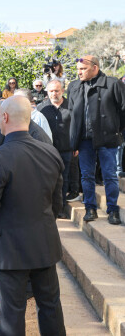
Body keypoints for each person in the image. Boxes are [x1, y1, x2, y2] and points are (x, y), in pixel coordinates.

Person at [0, 96, 66, 336]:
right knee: (50, 306)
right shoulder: (51, 152)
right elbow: (57, 204)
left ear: (4, 117)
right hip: (44, 242)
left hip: (8, 248)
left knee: (12, 313)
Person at [68, 55, 125, 225]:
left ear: (95, 67)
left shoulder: (113, 84)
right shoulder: (74, 86)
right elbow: (72, 114)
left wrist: (114, 129)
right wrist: (74, 142)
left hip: (107, 139)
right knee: (86, 176)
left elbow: (123, 111)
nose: (79, 72)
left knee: (110, 176)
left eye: (83, 69)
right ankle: (90, 208)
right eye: (78, 69)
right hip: (84, 140)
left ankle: (113, 210)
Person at [38, 79, 72, 217]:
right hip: (47, 151)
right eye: (51, 91)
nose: (54, 93)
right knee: (46, 180)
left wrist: (76, 145)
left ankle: (61, 208)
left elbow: (77, 126)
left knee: (64, 179)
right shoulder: (42, 108)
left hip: (66, 149)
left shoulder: (71, 106)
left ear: (63, 91)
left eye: (57, 90)